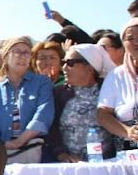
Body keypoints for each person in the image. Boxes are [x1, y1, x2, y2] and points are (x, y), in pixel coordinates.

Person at [0, 37, 55, 164]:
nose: (22, 56)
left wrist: (20, 141)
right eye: (17, 51)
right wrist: (0, 144)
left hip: (34, 151)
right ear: (5, 57)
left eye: (27, 52)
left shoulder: (42, 82)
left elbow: (44, 112)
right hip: (1, 153)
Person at [45, 44, 115, 162]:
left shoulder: (109, 90)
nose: (64, 68)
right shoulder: (59, 94)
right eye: (63, 63)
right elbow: (51, 128)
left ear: (89, 67)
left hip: (107, 165)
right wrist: (61, 154)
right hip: (70, 166)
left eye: (70, 63)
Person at [98, 18, 138, 152]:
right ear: (123, 44)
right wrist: (127, 132)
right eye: (130, 38)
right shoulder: (116, 75)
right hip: (129, 152)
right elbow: (103, 114)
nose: (136, 42)